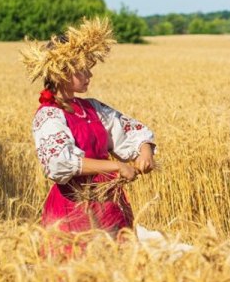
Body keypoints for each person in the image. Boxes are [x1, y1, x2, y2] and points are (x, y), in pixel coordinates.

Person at [21, 17, 156, 254]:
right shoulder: (49, 117)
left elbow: (131, 132)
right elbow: (59, 163)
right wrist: (114, 167)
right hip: (73, 211)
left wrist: (145, 152)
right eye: (82, 69)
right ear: (61, 72)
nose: (89, 75)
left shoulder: (93, 108)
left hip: (110, 206)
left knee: (118, 272)